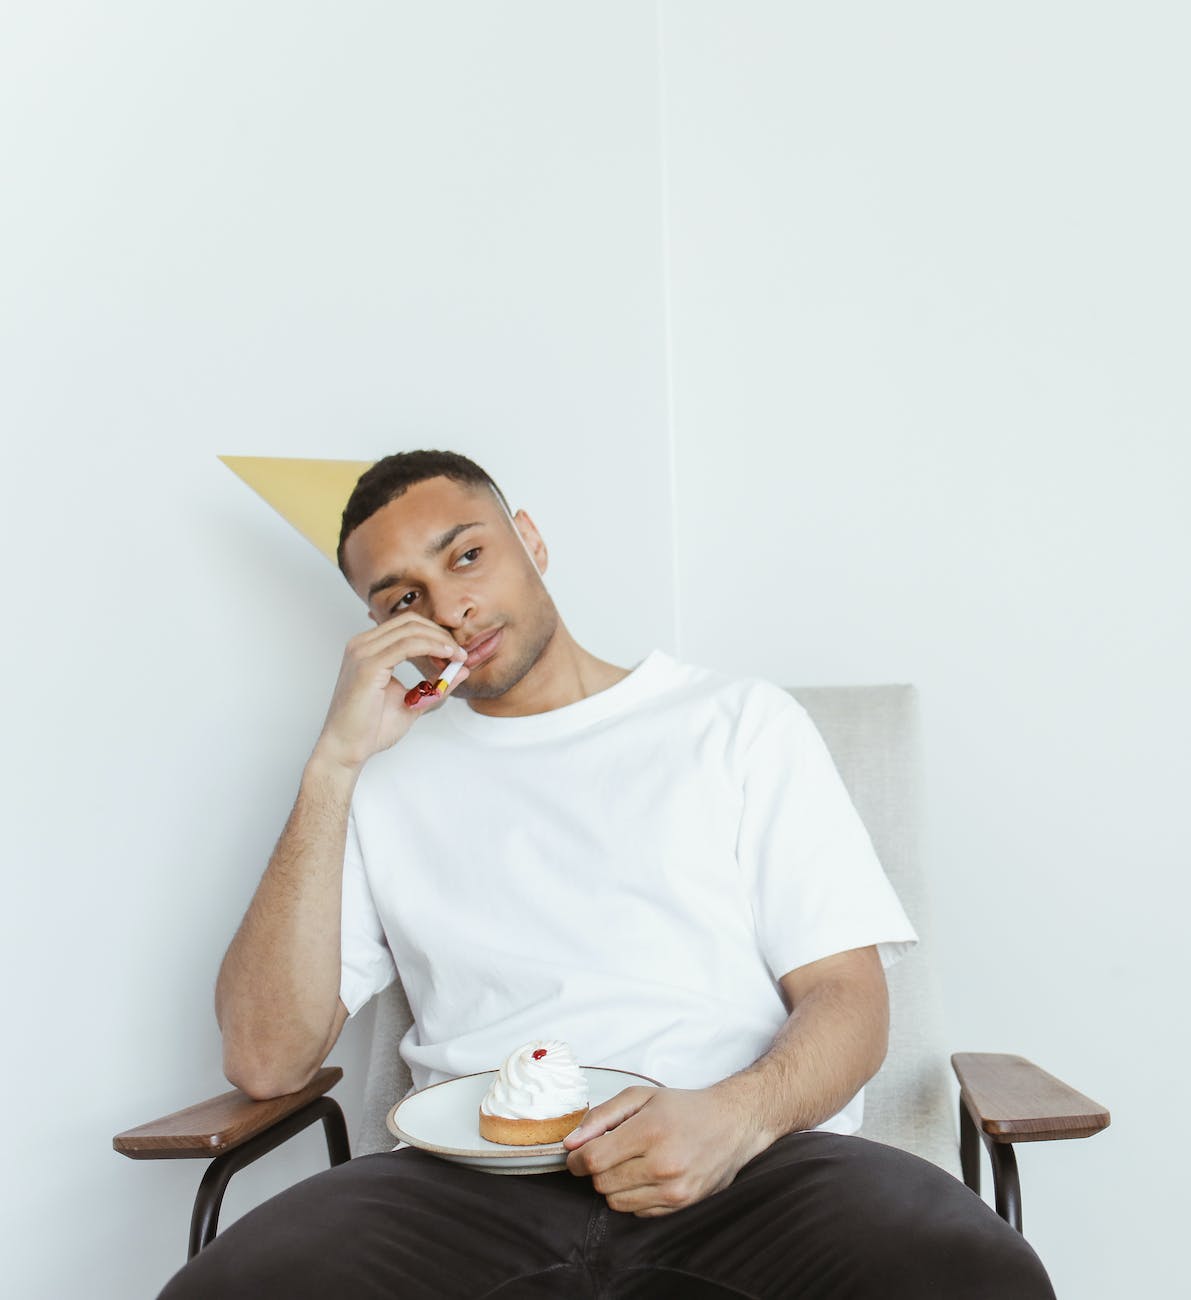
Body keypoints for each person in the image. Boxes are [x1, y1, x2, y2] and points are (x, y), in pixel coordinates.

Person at [159, 451, 1057, 1298]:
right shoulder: (379, 782)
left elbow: (847, 999)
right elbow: (266, 1060)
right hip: (464, 1184)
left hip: (747, 1159)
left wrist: (735, 1119)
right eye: (406, 597)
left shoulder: (736, 722)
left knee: (970, 1276)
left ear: (531, 541)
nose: (452, 606)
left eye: (468, 556)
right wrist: (332, 765)